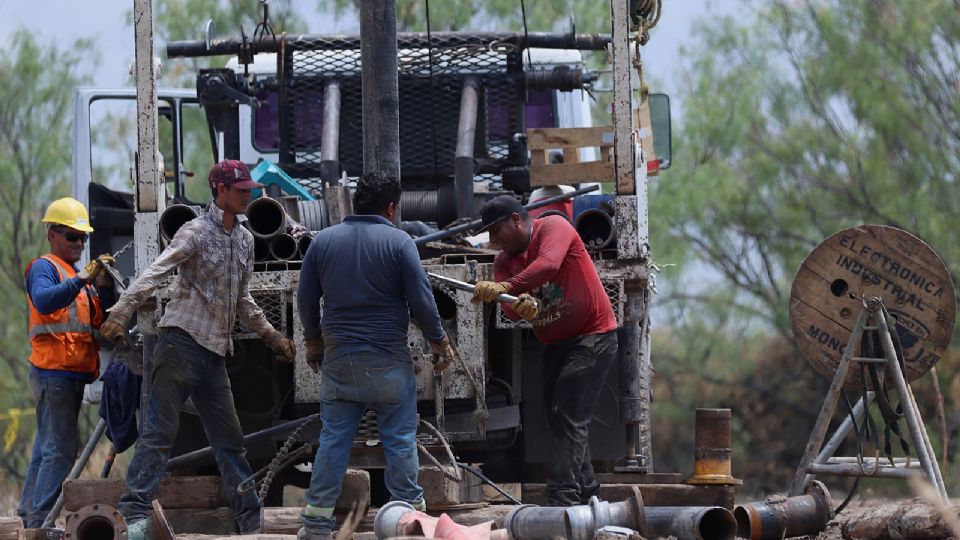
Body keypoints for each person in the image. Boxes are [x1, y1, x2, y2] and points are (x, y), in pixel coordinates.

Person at [100, 160, 296, 535]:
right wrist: (121, 311)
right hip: (179, 345)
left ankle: (250, 521)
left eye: (249, 189)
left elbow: (243, 300)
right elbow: (157, 271)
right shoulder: (194, 232)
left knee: (231, 442)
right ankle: (132, 516)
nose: (247, 195)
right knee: (158, 435)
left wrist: (271, 335)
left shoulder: (245, 239)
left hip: (214, 355)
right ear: (219, 191)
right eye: (240, 190)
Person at [296, 172, 453, 540]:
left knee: (333, 441)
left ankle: (316, 525)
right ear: (392, 208)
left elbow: (305, 299)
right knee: (399, 441)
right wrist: (438, 342)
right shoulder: (399, 243)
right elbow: (422, 302)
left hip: (340, 365)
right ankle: (410, 521)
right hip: (388, 364)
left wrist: (313, 341)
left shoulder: (323, 242)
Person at [472, 195, 618, 506]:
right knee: (560, 421)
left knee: (568, 417)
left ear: (516, 219)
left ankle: (562, 498)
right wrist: (519, 308)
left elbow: (548, 266)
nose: (493, 241)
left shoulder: (553, 227)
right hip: (555, 344)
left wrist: (509, 289)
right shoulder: (503, 263)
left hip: (592, 336)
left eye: (496, 231)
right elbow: (509, 312)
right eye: (489, 235)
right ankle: (590, 492)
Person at [18, 197, 114, 528]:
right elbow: (45, 302)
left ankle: (29, 515)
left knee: (47, 449)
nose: (78, 243)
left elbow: (93, 326)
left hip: (68, 373)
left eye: (82, 237)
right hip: (52, 371)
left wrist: (100, 286)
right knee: (59, 452)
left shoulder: (76, 276)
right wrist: (82, 280)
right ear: (52, 235)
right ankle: (40, 522)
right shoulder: (45, 268)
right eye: (71, 235)